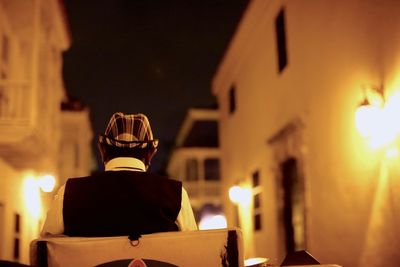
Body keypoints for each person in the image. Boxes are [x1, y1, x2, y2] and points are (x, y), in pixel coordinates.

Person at [41, 112, 197, 237]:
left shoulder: (68, 194)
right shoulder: (176, 195)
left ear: (103, 150)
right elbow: (192, 251)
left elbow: (45, 250)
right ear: (150, 154)